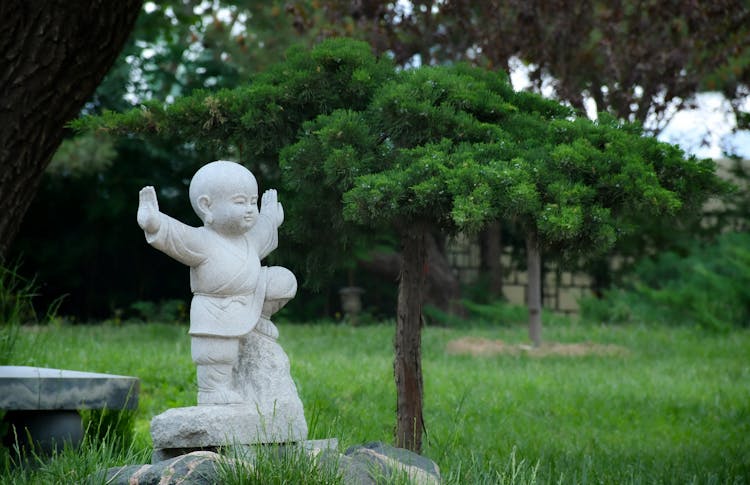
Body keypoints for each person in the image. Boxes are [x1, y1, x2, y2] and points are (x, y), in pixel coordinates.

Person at [137, 160, 297, 405]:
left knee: (284, 280)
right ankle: (213, 389)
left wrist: (269, 218)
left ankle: (259, 320)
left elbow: (263, 235)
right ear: (206, 206)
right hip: (216, 310)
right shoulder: (201, 240)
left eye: (252, 202)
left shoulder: (247, 238)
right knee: (217, 354)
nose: (249, 209)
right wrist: (154, 222)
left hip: (251, 297)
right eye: (240, 202)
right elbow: (175, 236)